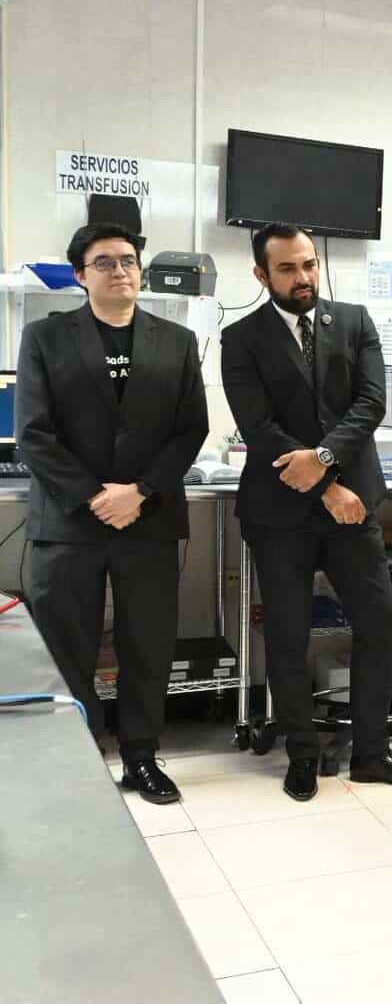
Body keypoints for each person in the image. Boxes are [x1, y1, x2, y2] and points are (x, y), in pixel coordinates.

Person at [221, 223, 392, 801]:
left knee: (379, 622)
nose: (303, 277)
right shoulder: (240, 338)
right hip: (279, 512)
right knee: (288, 634)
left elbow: (370, 403)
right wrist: (325, 488)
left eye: (309, 264)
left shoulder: (354, 321)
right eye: (288, 268)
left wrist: (322, 463)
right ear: (261, 274)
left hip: (353, 507)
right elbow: (258, 426)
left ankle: (371, 754)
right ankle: (301, 754)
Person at [16, 222, 209, 805]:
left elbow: (190, 429)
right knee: (66, 643)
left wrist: (140, 491)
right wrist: (95, 496)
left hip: (147, 519)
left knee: (147, 643)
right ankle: (77, 759)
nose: (120, 270)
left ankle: (141, 757)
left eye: (128, 260)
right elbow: (33, 432)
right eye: (104, 262)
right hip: (69, 520)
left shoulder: (176, 341)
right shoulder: (45, 337)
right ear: (81, 275)